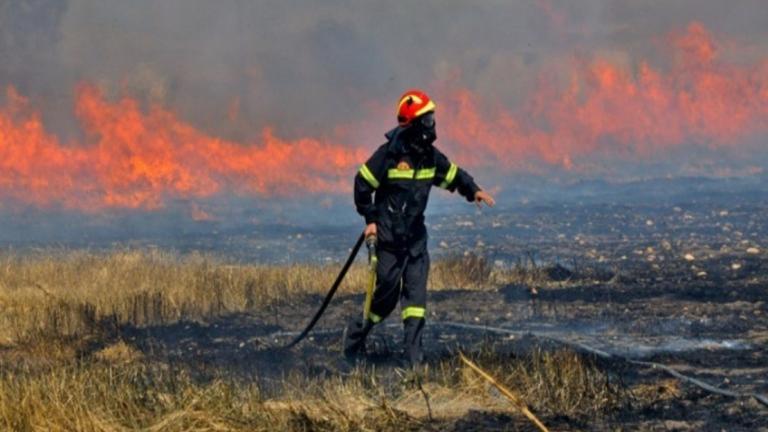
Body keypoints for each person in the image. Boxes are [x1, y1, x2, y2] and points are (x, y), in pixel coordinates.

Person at [344, 89, 495, 366]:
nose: (431, 125)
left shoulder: (430, 157)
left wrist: (473, 190)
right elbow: (362, 184)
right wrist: (371, 221)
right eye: (426, 120)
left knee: (416, 302)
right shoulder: (388, 155)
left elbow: (452, 174)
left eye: (432, 118)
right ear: (412, 124)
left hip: (415, 242)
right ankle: (354, 342)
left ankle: (414, 365)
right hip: (389, 242)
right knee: (383, 302)